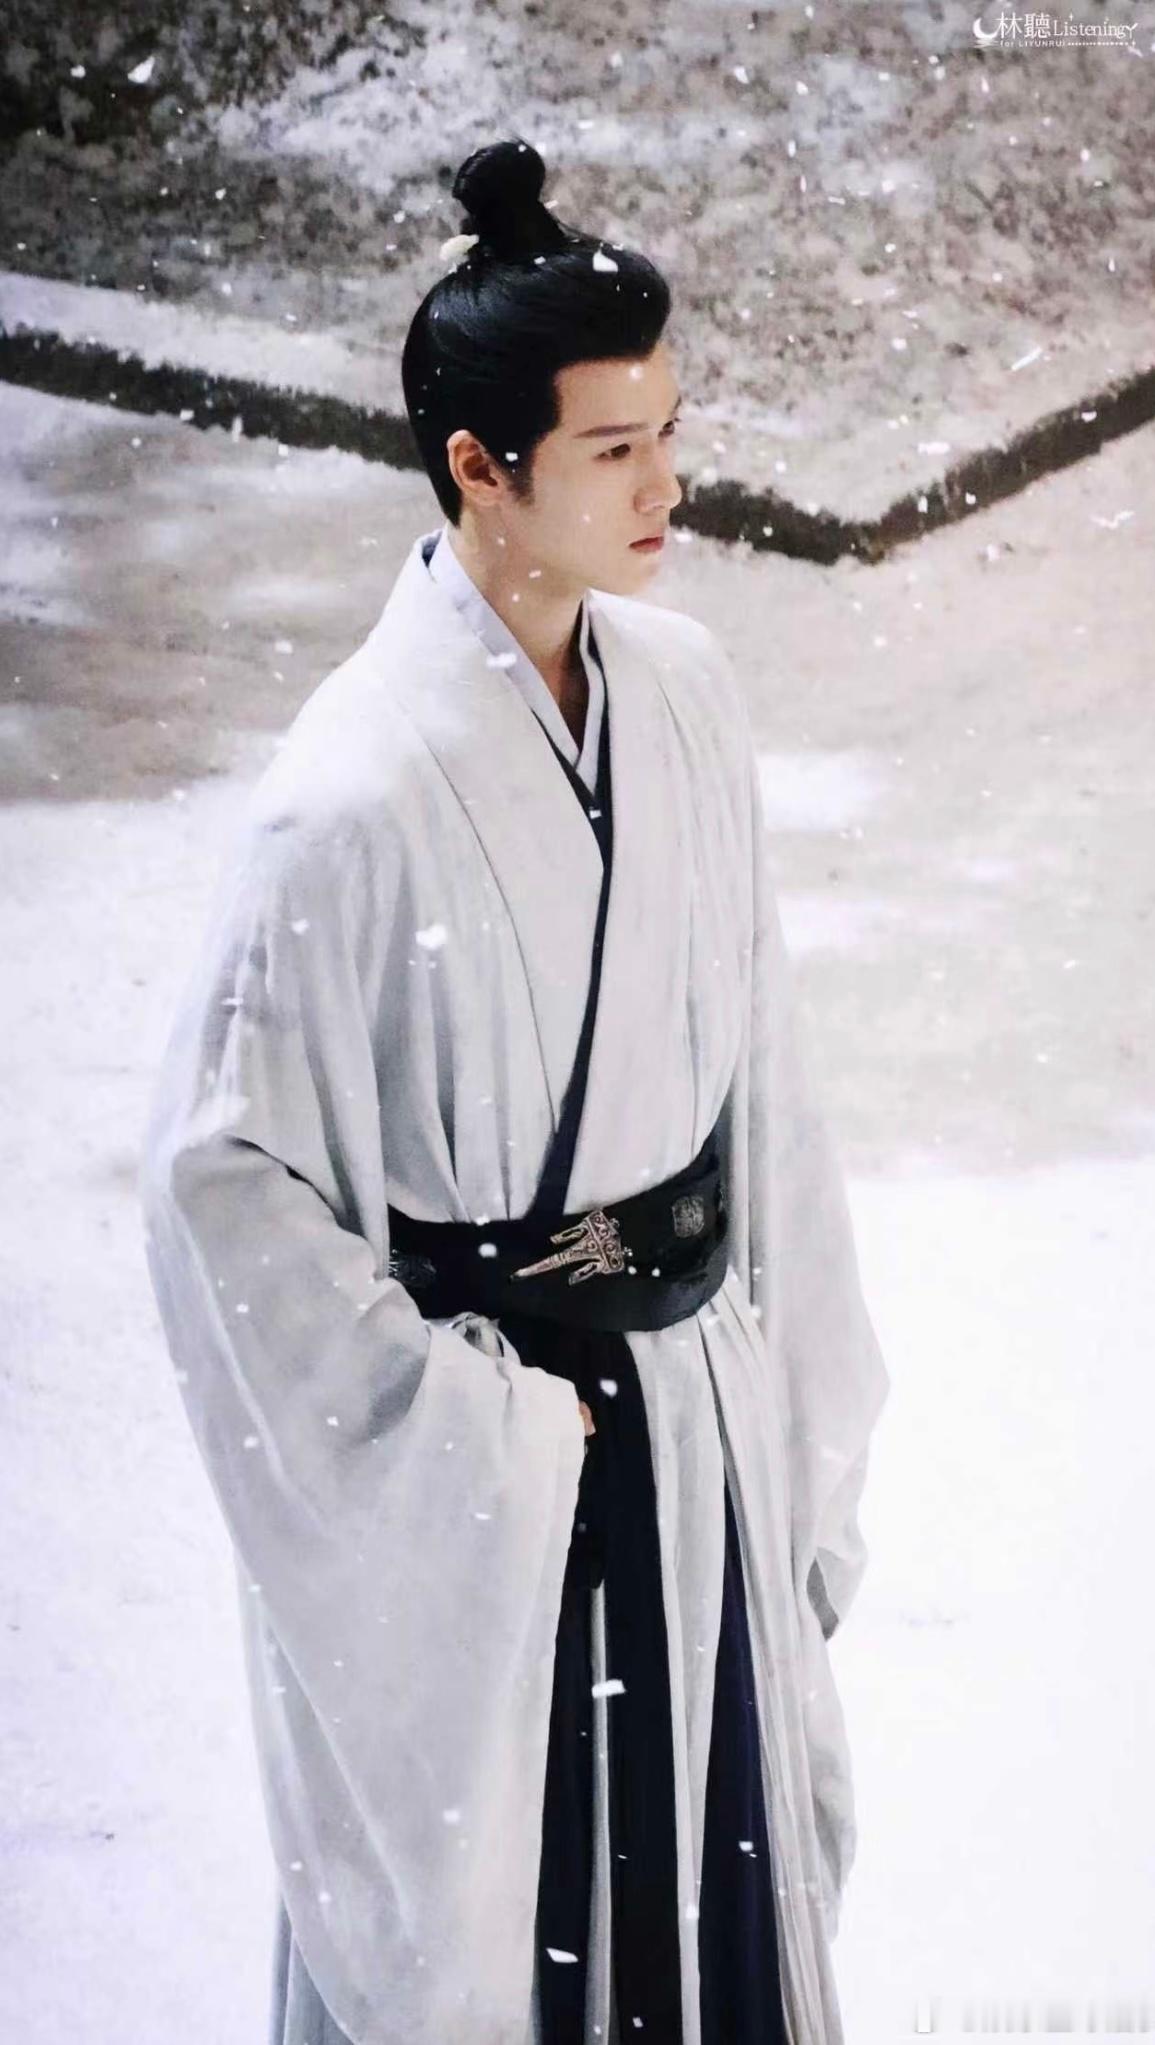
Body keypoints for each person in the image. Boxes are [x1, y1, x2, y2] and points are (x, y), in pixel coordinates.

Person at [139, 136, 890, 2045]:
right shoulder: (350, 796)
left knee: (706, 1921)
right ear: (479, 467)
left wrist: (787, 1395)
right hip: (506, 1479)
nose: (665, 485)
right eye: (612, 448)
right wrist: (473, 1431)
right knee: (515, 1929)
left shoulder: (686, 692)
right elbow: (223, 1191)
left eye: (668, 432)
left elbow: (761, 1077)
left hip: (690, 1433)